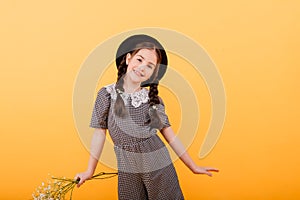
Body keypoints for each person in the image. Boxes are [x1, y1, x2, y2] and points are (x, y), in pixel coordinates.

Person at [75, 34, 219, 199]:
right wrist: (89, 170)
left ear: (153, 74)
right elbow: (99, 133)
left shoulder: (152, 100)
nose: (142, 67)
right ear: (128, 58)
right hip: (127, 166)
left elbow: (170, 136)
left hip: (157, 162)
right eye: (139, 60)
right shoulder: (107, 95)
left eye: (150, 66)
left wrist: (193, 166)